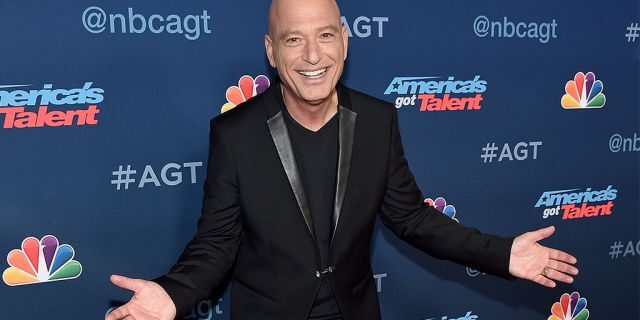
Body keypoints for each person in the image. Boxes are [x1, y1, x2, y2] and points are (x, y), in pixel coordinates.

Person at [105, 0, 579, 319]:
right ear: (271, 51)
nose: (313, 55)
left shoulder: (377, 120)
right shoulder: (234, 134)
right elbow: (216, 244)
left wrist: (501, 253)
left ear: (345, 43)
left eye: (326, 36)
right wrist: (172, 293)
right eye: (293, 40)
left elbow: (412, 219)